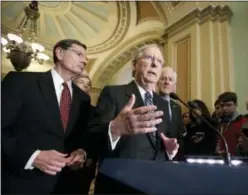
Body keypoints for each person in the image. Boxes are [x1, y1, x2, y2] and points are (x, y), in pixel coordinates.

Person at [1, 39, 95, 194]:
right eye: (79, 54)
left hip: (64, 186)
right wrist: (32, 157)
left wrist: (80, 152)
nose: (84, 60)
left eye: (86, 57)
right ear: (59, 53)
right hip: (20, 182)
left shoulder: (83, 99)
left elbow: (79, 137)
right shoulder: (21, 82)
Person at [93, 44, 179, 194]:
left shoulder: (163, 104)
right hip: (120, 183)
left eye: (159, 61)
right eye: (149, 58)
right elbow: (92, 135)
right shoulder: (113, 93)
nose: (154, 64)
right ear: (134, 64)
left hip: (154, 184)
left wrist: (169, 151)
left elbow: (160, 143)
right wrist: (114, 129)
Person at [157, 67, 186, 160]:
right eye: (163, 78)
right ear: (157, 82)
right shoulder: (150, 101)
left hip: (173, 156)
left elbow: (179, 133)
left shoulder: (177, 107)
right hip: (155, 155)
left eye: (170, 79)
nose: (167, 82)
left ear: (174, 85)